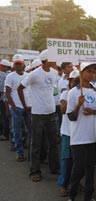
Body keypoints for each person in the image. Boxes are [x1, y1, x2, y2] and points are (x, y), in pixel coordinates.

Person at [18, 49, 60, 182]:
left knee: (53, 142)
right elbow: (20, 87)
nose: (55, 61)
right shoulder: (35, 74)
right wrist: (25, 105)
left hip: (51, 112)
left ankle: (54, 167)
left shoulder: (54, 72)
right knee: (36, 143)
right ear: (47, 60)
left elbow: (52, 89)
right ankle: (34, 171)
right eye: (53, 58)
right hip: (37, 114)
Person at [67, 63, 96, 201]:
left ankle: (88, 196)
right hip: (79, 138)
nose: (91, 74)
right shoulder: (73, 92)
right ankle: (72, 195)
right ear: (81, 73)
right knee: (78, 169)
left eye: (93, 72)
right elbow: (71, 117)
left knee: (90, 169)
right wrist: (78, 105)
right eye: (88, 71)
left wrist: (92, 111)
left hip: (93, 137)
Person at [57, 70, 79, 197]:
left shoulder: (84, 92)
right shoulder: (66, 93)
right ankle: (63, 184)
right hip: (67, 132)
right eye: (74, 80)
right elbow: (63, 110)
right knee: (66, 159)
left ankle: (74, 183)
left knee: (78, 161)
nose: (76, 83)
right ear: (70, 82)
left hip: (79, 133)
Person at [5, 54, 31, 161]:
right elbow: (8, 93)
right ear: (13, 65)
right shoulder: (10, 76)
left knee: (30, 130)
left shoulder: (28, 75)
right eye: (16, 64)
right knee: (17, 131)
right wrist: (14, 107)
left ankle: (31, 152)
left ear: (23, 64)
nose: (18, 65)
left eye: (20, 63)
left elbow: (30, 91)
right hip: (17, 108)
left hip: (28, 107)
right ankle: (19, 152)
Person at [0, 59, 11, 141]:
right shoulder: (11, 74)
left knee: (4, 117)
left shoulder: (3, 75)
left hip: (3, 99)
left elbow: (1, 89)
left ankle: (5, 134)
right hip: (11, 99)